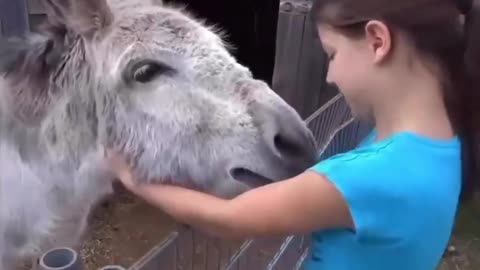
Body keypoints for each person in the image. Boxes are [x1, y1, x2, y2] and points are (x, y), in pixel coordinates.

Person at [106, 0, 480, 269]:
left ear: (377, 42)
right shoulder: (446, 146)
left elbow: (227, 218)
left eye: (331, 55)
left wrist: (132, 178)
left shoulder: (369, 177)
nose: (330, 76)